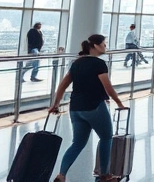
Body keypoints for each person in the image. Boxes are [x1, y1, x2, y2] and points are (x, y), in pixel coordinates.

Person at [48, 34, 126, 182]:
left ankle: (61, 174)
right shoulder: (99, 64)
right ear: (95, 46)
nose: (105, 47)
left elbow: (63, 85)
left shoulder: (76, 63)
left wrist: (55, 104)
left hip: (76, 108)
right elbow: (108, 87)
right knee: (106, 137)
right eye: (104, 44)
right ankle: (105, 175)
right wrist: (119, 103)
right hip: (94, 106)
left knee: (77, 143)